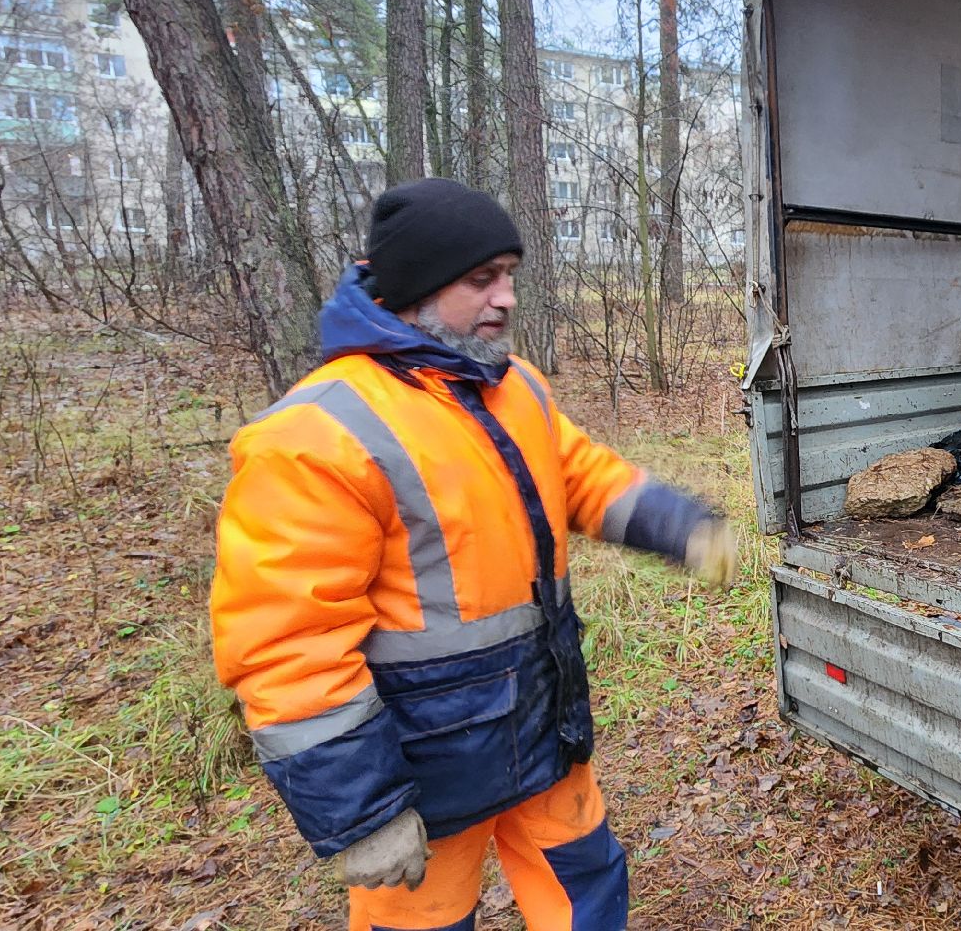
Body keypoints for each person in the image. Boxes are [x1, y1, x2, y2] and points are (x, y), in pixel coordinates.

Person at [210, 178, 735, 930]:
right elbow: (287, 642)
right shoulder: (316, 434)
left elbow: (581, 474)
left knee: (587, 892)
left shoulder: (510, 385)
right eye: (481, 279)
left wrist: (678, 526)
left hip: (542, 725)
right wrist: (366, 813)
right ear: (415, 289)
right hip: (426, 771)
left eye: (510, 276)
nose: (507, 298)